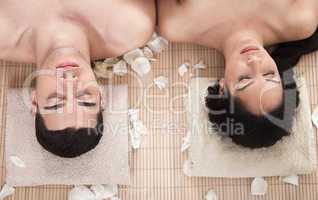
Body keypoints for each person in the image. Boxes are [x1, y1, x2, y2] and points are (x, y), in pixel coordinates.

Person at [0, 0, 156, 157]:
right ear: (101, 95)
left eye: (56, 101)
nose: (69, 80)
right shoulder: (130, 26)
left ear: (34, 100)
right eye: (85, 98)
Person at [158, 0, 318, 148]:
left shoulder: (177, 25)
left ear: (222, 90)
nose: (255, 60)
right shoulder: (299, 20)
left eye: (244, 79)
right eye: (269, 74)